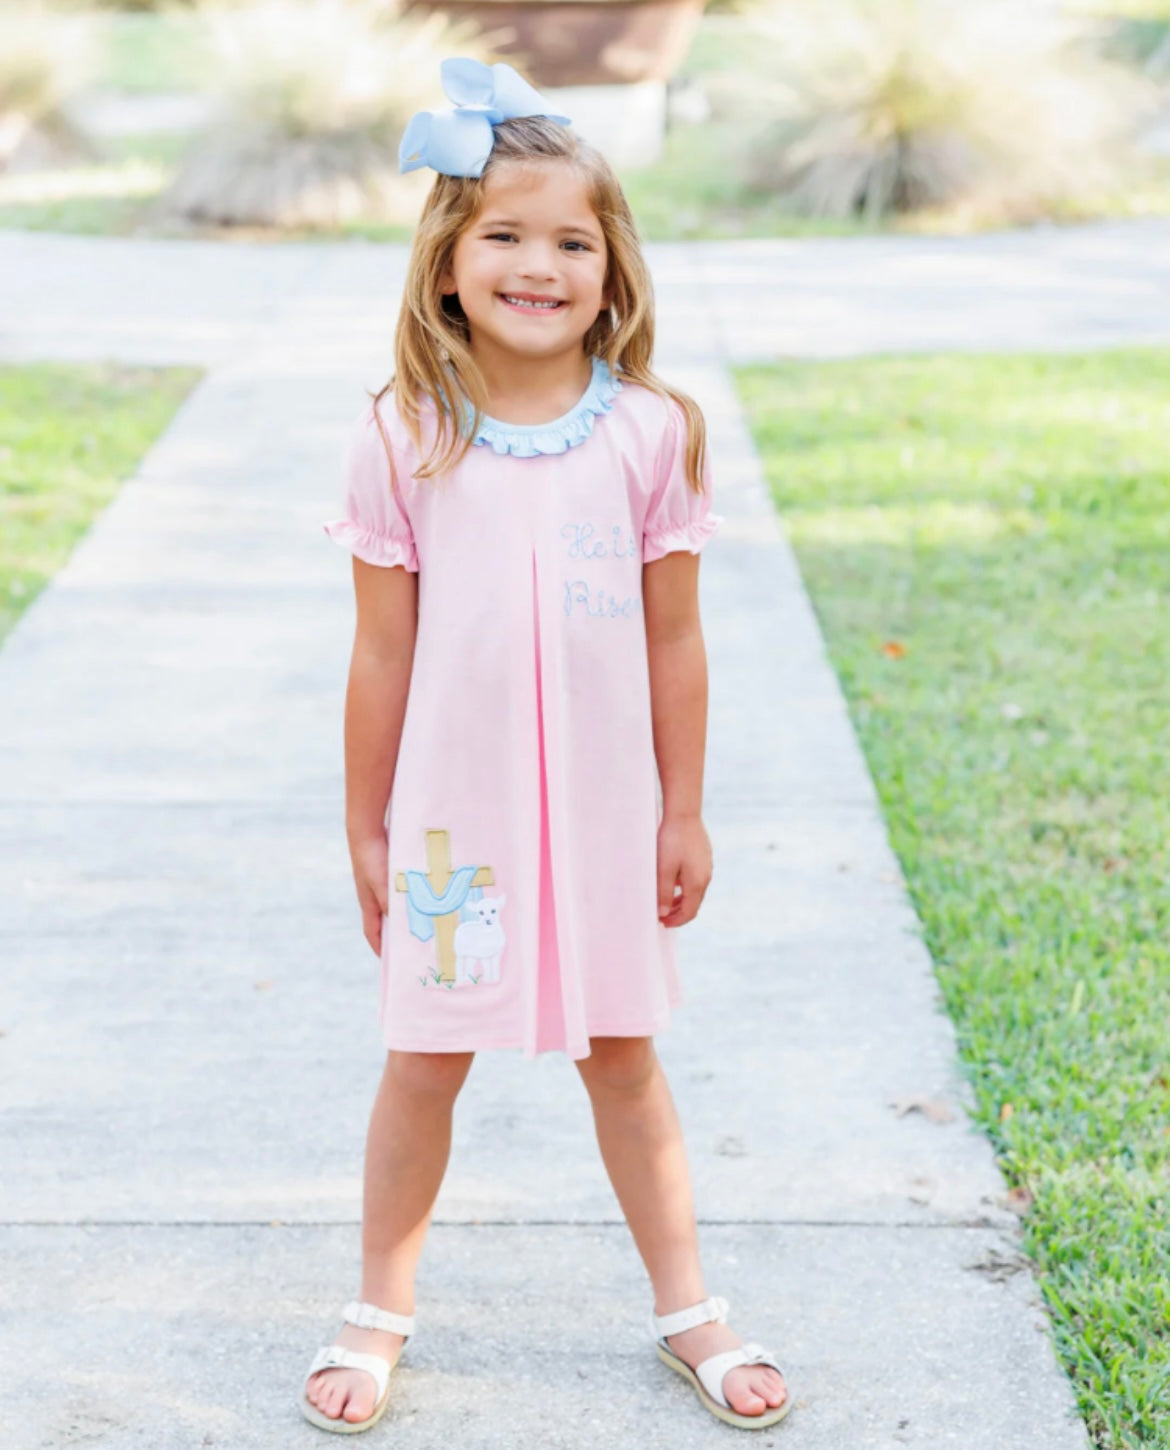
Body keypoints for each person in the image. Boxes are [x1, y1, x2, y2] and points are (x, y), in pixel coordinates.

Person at [299, 57, 792, 1436]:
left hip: (603, 822)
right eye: (504, 235)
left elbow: (676, 641)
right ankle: (379, 1307)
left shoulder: (652, 433)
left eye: (572, 240)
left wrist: (682, 809)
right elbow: (381, 652)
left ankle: (687, 1304)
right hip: (453, 833)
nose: (538, 264)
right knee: (424, 1059)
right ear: (447, 267)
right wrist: (365, 825)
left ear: (612, 265)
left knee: (625, 1058)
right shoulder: (403, 435)